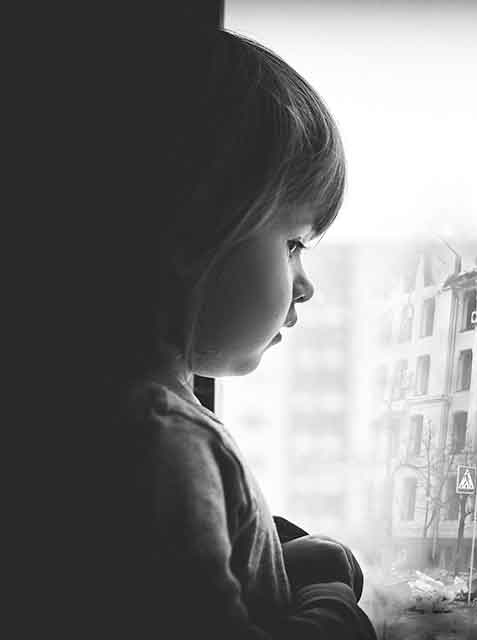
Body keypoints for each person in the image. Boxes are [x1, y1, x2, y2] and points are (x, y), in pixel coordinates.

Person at [66, 28, 377, 639]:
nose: (305, 284)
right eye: (292, 245)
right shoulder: (163, 441)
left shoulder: (134, 411)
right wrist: (335, 612)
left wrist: (273, 551)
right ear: (195, 234)